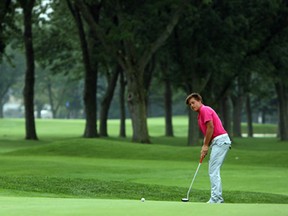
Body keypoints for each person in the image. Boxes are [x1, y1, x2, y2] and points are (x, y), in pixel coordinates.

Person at [185, 92, 231, 204]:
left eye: (193, 102)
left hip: (220, 141)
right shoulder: (200, 115)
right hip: (217, 142)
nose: (192, 106)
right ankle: (216, 198)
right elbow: (208, 133)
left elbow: (211, 127)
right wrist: (205, 147)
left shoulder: (205, 110)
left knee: (213, 170)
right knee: (213, 169)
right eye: (190, 104)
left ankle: (216, 199)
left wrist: (205, 145)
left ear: (199, 101)